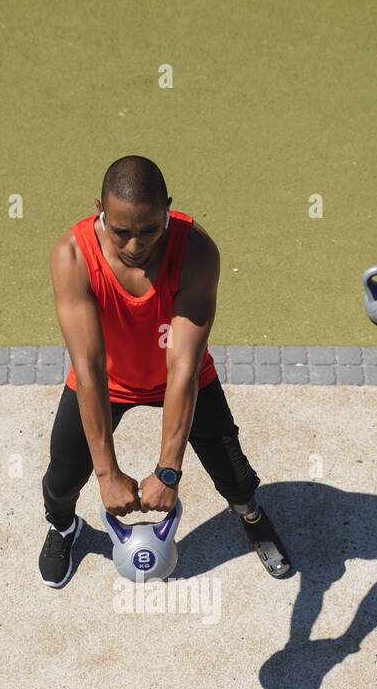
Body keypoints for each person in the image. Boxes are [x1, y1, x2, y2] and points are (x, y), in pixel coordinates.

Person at [40, 155, 291, 588]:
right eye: (122, 232)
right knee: (62, 480)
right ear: (99, 207)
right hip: (108, 381)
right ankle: (64, 527)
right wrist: (106, 474)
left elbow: (183, 367)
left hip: (179, 377)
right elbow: (90, 370)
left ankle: (250, 514)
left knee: (236, 477)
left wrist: (169, 471)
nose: (136, 246)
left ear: (168, 211)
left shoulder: (196, 251)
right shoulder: (72, 256)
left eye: (149, 230)